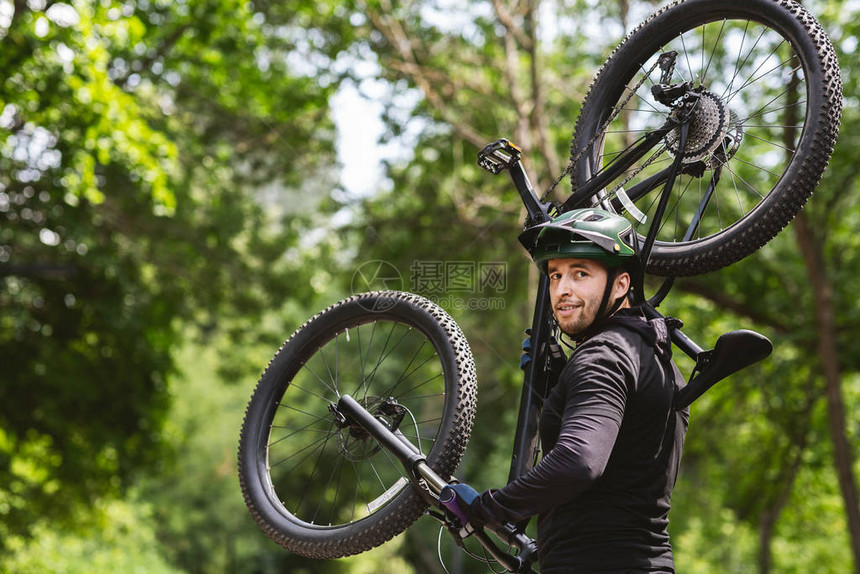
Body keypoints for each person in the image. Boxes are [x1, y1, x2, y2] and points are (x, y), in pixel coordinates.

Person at [450, 208, 688, 573]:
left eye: (580, 273)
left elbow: (579, 463)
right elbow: (625, 461)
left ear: (621, 284)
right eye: (555, 275)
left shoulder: (603, 356)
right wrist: (558, 390)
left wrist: (488, 508)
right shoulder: (656, 356)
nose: (562, 289)